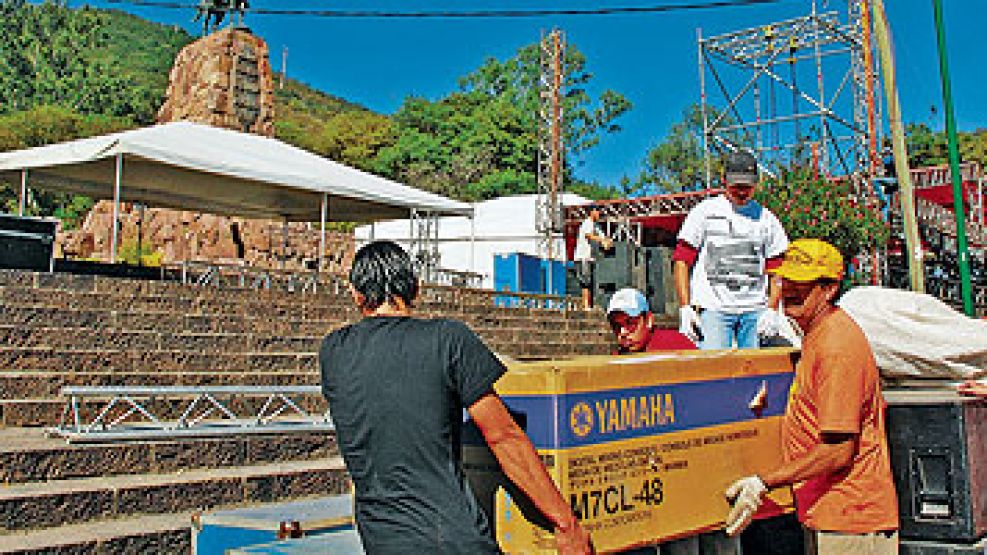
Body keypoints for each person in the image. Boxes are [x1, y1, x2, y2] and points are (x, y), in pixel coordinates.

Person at [320, 240, 592, 554]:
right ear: (416, 289)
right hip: (450, 537)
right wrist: (566, 523)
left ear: (356, 294)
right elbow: (504, 437)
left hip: (381, 539)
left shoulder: (333, 352)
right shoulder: (447, 341)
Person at [723, 239, 899, 555]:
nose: (789, 289)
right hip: (829, 515)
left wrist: (763, 482)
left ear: (829, 288)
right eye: (784, 279)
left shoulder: (836, 348)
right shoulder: (816, 337)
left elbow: (837, 452)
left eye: (801, 282)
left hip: (850, 521)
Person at [672, 151, 789, 349]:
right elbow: (682, 260)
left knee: (755, 370)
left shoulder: (767, 219)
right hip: (713, 307)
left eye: (747, 187)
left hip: (755, 308)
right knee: (714, 369)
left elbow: (777, 269)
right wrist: (685, 306)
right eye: (736, 187)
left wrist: (772, 308)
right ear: (724, 180)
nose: (742, 192)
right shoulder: (704, 213)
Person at [606, 288, 695, 353]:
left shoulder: (675, 345)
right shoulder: (619, 357)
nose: (623, 332)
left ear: (649, 320)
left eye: (630, 323)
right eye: (616, 326)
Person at [574, 207, 613, 310]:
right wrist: (601, 240)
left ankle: (591, 304)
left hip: (592, 258)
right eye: (597, 212)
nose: (599, 214)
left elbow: (604, 239)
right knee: (585, 282)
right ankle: (585, 305)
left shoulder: (597, 227)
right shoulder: (587, 223)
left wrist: (607, 242)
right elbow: (589, 235)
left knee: (592, 282)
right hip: (583, 257)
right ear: (592, 212)